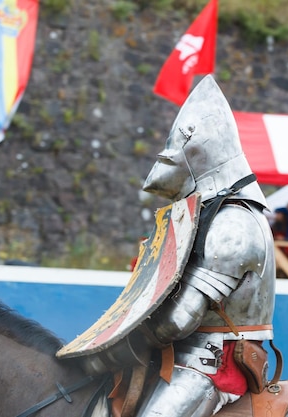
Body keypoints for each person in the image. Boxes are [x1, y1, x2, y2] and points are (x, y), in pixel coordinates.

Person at [59, 76, 276, 417]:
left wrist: (107, 353)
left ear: (200, 153)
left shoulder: (233, 224)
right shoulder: (213, 215)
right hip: (180, 356)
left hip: (208, 364)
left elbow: (180, 319)